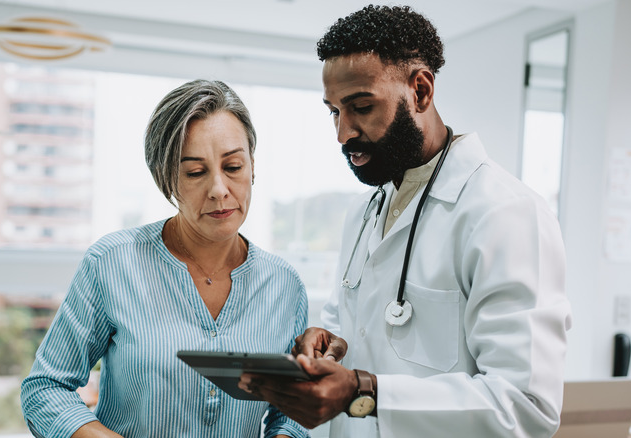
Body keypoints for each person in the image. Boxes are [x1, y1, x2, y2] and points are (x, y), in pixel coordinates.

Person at [238, 5, 572, 438]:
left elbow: (526, 407)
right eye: (334, 111)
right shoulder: (364, 213)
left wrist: (366, 392)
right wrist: (330, 343)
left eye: (360, 106)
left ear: (421, 90)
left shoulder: (505, 214)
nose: (343, 133)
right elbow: (352, 327)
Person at [21, 79, 309, 438]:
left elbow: (291, 411)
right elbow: (45, 389)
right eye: (195, 172)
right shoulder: (112, 263)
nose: (219, 189)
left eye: (233, 167)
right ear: (167, 179)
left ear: (252, 167)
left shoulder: (285, 286)